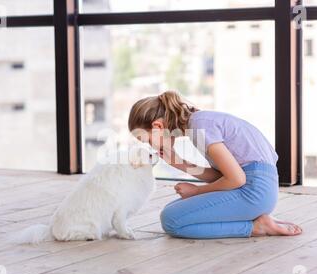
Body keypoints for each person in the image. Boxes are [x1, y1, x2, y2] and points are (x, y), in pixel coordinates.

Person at [128, 90, 302, 239]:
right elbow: (223, 176)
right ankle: (256, 219)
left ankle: (256, 227)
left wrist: (196, 191)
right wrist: (178, 162)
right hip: (259, 190)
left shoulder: (199, 126)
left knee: (171, 220)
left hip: (254, 193)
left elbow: (236, 179)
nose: (150, 146)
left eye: (147, 139)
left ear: (157, 126)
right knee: (173, 209)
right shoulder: (200, 122)